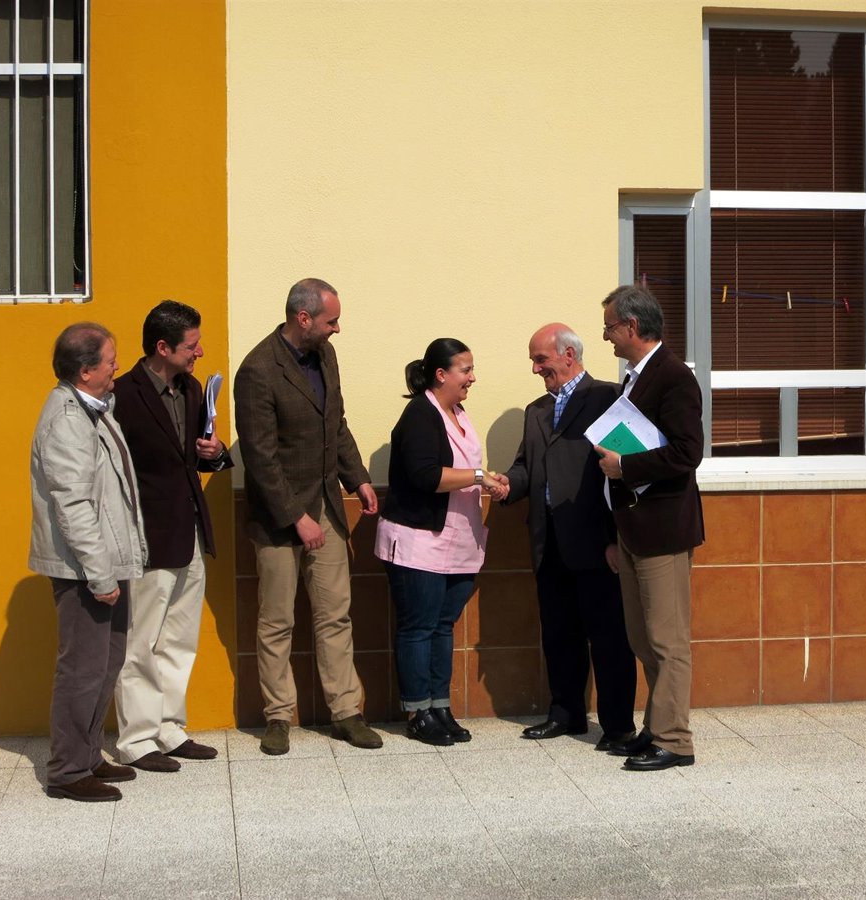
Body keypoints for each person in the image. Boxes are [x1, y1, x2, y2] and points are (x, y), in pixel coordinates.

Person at [234, 278, 383, 755]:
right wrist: (296, 516)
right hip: (280, 519)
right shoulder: (257, 370)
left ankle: (346, 712)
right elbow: (260, 458)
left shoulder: (326, 356)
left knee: (335, 615)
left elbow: (335, 424)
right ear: (303, 318)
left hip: (327, 505)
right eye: (331, 321)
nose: (337, 329)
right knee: (277, 620)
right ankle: (278, 717)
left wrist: (358, 479)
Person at [111, 300, 234, 773]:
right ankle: (137, 739)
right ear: (162, 347)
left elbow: (197, 459)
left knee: (179, 638)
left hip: (190, 531)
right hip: (147, 537)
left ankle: (168, 727)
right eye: (191, 345)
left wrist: (215, 451)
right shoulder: (123, 395)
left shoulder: (191, 388)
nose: (199, 352)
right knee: (140, 641)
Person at [503, 324, 639, 749]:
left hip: (597, 543)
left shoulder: (609, 398)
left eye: (540, 359)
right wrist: (507, 484)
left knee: (609, 638)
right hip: (549, 542)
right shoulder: (536, 411)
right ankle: (566, 713)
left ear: (568, 355)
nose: (535, 369)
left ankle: (618, 727)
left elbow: (624, 472)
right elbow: (527, 466)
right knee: (559, 634)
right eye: (533, 361)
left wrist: (616, 537)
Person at [28, 323, 147, 801]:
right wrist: (100, 575)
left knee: (106, 663)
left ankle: (88, 754)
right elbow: (73, 506)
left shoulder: (94, 410)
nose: (117, 366)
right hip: (83, 571)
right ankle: (68, 771)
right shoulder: (66, 421)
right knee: (82, 669)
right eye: (110, 360)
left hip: (104, 565)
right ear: (85, 371)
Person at [375, 339, 509, 745]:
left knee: (442, 626)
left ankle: (439, 706)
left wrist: (491, 479)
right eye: (465, 370)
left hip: (457, 541)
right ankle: (418, 712)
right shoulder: (420, 414)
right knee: (418, 626)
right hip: (419, 541)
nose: (472, 378)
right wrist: (480, 477)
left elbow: (466, 469)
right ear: (440, 374)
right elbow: (426, 476)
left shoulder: (459, 413)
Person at [597, 284, 705, 771]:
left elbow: (687, 453)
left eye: (610, 327)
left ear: (632, 326)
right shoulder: (635, 377)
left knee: (667, 639)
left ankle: (675, 740)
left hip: (662, 529)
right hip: (633, 527)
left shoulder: (674, 376)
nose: (606, 336)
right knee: (642, 638)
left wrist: (625, 466)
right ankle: (656, 727)